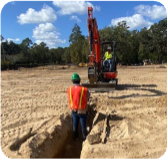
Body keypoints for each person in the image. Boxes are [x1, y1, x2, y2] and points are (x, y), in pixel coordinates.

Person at [67, 73, 90, 141]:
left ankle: (75, 138)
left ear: (72, 81)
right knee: (83, 127)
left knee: (75, 126)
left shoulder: (69, 89)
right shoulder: (84, 89)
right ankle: (84, 139)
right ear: (79, 80)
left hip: (73, 110)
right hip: (82, 111)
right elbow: (88, 96)